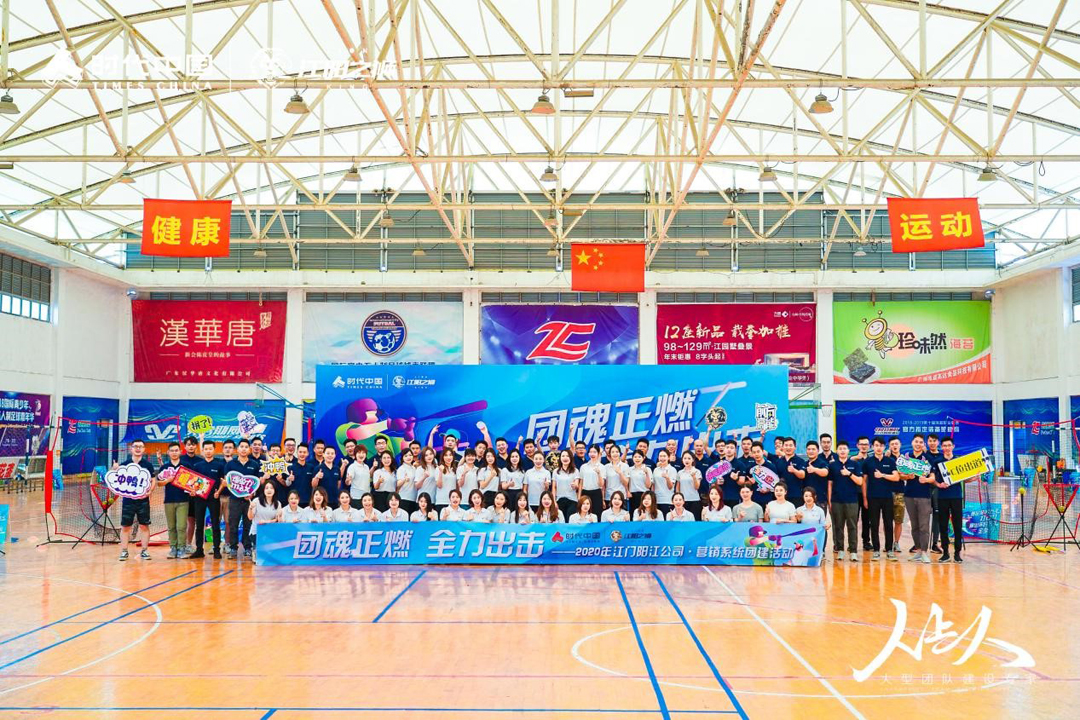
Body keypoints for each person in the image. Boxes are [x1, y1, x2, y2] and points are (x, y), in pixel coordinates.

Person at [225, 438, 266, 560]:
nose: (243, 449)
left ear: (249, 449)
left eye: (246, 447)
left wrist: (252, 494)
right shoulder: (230, 464)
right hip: (234, 499)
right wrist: (237, 491)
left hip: (249, 500)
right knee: (233, 524)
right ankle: (233, 547)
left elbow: (257, 483)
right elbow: (228, 482)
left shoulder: (254, 465)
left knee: (248, 524)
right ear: (237, 449)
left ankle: (247, 547)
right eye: (241, 447)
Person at [117, 440, 155, 562]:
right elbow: (117, 480)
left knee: (144, 525)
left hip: (143, 501)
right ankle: (124, 551)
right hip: (128, 501)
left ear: (144, 449)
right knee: (125, 527)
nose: (138, 448)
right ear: (131, 448)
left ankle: (144, 550)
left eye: (140, 446)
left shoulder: (148, 465)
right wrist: (114, 469)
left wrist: (150, 491)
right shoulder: (124, 464)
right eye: (135, 446)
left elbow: (153, 480)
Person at [865, 437, 901, 561]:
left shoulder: (890, 461)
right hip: (872, 497)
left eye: (881, 445)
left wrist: (883, 475)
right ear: (872, 447)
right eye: (876, 445)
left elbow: (896, 477)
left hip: (887, 497)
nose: (879, 448)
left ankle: (889, 550)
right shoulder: (868, 462)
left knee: (888, 524)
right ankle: (876, 550)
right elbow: (864, 481)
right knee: (874, 524)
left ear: (884, 447)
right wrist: (865, 498)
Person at [901, 434, 935, 563]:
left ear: (923, 444)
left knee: (924, 525)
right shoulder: (906, 457)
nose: (918, 444)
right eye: (916, 441)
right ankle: (919, 550)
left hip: (924, 496)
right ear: (912, 442)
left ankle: (925, 552)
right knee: (914, 525)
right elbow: (901, 475)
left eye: (921, 442)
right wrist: (907, 477)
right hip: (909, 495)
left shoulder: (928, 458)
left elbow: (933, 477)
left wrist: (926, 480)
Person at [828, 440, 864, 561]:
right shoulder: (832, 465)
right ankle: (840, 550)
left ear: (848, 451)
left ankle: (853, 551)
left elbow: (860, 481)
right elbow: (830, 484)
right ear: (837, 451)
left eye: (844, 448)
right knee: (838, 526)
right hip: (836, 500)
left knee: (852, 526)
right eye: (840, 449)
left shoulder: (855, 464)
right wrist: (829, 500)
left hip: (852, 500)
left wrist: (849, 474)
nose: (842, 451)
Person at [934, 437, 967, 563]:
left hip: (956, 497)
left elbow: (966, 478)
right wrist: (938, 484)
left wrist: (976, 476)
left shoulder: (959, 461)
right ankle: (945, 553)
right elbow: (933, 478)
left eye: (949, 445)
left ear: (953, 446)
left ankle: (957, 553)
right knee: (943, 526)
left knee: (957, 525)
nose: (947, 448)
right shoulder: (937, 462)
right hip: (942, 497)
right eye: (944, 445)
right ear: (941, 447)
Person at [192, 439, 226, 559]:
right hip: (199, 499)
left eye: (210, 449)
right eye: (206, 449)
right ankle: (199, 550)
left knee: (215, 524)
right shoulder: (197, 465)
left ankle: (216, 550)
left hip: (213, 498)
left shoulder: (219, 465)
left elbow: (223, 482)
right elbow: (193, 482)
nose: (208, 451)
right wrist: (193, 491)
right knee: (199, 525)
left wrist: (218, 492)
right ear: (202, 450)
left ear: (214, 450)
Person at [159, 442, 192, 559]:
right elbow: (158, 483)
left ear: (180, 452)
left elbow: (192, 482)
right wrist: (167, 481)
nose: (174, 453)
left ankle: (182, 548)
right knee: (171, 526)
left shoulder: (186, 466)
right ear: (168, 452)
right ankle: (173, 548)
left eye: (176, 450)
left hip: (183, 500)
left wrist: (193, 490)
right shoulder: (164, 467)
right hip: (169, 500)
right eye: (172, 451)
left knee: (181, 526)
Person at [246, 481, 280, 563]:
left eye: (271, 488)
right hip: (257, 532)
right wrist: (250, 508)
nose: (269, 490)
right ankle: (255, 549)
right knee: (260, 558)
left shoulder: (278, 503)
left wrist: (267, 521)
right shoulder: (256, 501)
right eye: (266, 488)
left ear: (275, 490)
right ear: (263, 490)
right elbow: (250, 517)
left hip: (270, 532)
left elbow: (277, 519)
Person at [926, 433, 943, 554]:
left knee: (937, 517)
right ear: (927, 442)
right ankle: (919, 544)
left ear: (938, 443)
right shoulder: (923, 456)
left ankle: (935, 544)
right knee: (923, 517)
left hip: (938, 490)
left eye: (934, 441)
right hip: (924, 489)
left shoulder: (942, 457)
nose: (932, 443)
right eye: (930, 441)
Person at [888, 437, 906, 554]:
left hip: (900, 492)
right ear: (889, 446)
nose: (894, 446)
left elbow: (906, 475)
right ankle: (888, 543)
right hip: (887, 492)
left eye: (896, 444)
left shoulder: (905, 459)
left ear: (900, 445)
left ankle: (896, 543)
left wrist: (901, 475)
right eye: (892, 444)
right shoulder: (886, 458)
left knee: (898, 520)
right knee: (887, 520)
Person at [578, 445, 605, 520]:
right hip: (585, 492)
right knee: (584, 514)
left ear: (598, 453)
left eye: (594, 452)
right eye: (590, 452)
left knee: (597, 515)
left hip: (597, 493)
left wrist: (599, 473)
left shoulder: (602, 467)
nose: (592, 454)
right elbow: (581, 483)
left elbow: (601, 485)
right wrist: (579, 497)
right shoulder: (583, 466)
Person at [553, 450, 580, 521]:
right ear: (560, 458)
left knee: (570, 520)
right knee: (560, 521)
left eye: (567, 456)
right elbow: (554, 488)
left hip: (572, 500)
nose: (565, 458)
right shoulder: (556, 471)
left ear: (571, 458)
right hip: (559, 500)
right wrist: (554, 501)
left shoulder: (575, 471)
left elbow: (577, 485)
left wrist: (575, 485)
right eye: (563, 456)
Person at [676, 451, 703, 520]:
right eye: (685, 458)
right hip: (683, 501)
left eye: (689, 458)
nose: (686, 460)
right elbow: (677, 488)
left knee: (694, 522)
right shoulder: (680, 473)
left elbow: (697, 487)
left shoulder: (697, 471)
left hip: (694, 500)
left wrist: (694, 477)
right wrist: (678, 500)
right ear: (682, 460)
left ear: (693, 460)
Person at [803, 440, 831, 507]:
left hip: (820, 499)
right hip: (806, 499)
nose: (811, 451)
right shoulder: (804, 463)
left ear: (818, 451)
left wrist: (814, 469)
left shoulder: (822, 463)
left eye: (813, 449)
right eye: (809, 449)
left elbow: (825, 472)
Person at [289, 442, 315, 507]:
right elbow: (287, 484)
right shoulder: (291, 467)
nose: (302, 454)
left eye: (304, 452)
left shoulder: (311, 467)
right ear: (297, 453)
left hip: (308, 501)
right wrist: (289, 480)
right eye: (300, 452)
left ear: (308, 453)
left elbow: (314, 484)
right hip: (294, 501)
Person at [652, 449, 677, 516]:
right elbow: (653, 485)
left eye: (664, 456)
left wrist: (667, 478)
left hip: (667, 500)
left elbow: (670, 487)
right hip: (656, 500)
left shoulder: (672, 469)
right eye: (660, 456)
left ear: (668, 457)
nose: (662, 458)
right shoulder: (656, 470)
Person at [627, 450, 653, 515]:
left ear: (643, 458)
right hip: (633, 495)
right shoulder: (629, 469)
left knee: (644, 514)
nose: (637, 459)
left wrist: (646, 473)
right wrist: (628, 491)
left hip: (644, 495)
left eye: (639, 457)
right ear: (632, 458)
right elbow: (627, 483)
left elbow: (648, 486)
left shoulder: (648, 469)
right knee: (633, 514)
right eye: (635, 457)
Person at [605, 445, 630, 510]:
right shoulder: (606, 467)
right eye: (612, 452)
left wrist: (620, 473)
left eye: (617, 452)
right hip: (609, 496)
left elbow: (626, 483)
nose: (615, 454)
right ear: (609, 454)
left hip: (621, 496)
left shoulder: (625, 466)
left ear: (619, 453)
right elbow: (604, 484)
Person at [434, 448, 457, 515]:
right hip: (441, 501)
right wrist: (441, 472)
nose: (448, 457)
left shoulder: (454, 469)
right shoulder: (438, 469)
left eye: (450, 455)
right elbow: (439, 485)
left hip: (453, 501)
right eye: (446, 455)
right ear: (442, 457)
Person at [396, 448, 418, 516]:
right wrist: (404, 479)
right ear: (402, 458)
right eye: (406, 456)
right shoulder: (401, 469)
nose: (408, 457)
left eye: (410, 455)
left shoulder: (414, 468)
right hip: (404, 498)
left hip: (414, 498)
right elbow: (397, 484)